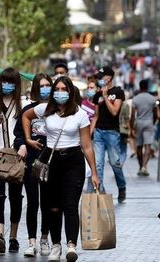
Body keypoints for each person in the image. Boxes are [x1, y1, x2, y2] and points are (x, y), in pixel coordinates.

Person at [22, 76, 100, 262]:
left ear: (70, 91)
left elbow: (87, 145)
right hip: (51, 160)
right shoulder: (45, 109)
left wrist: (94, 173)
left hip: (73, 161)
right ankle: (56, 245)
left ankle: (71, 245)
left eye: (63, 89)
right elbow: (25, 115)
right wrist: (28, 138)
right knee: (53, 207)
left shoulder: (80, 113)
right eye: (56, 89)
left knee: (70, 205)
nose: (59, 93)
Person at [0, 67, 26, 254]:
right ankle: (0, 235)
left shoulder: (23, 103)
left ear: (16, 84)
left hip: (17, 157)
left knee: (16, 198)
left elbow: (27, 128)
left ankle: (13, 237)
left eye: (11, 82)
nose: (7, 85)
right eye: (4, 81)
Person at [13, 73, 52, 257]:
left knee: (47, 202)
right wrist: (24, 144)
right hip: (31, 162)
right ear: (36, 88)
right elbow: (18, 134)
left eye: (47, 85)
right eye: (41, 85)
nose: (45, 89)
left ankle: (44, 239)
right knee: (33, 202)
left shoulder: (56, 110)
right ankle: (31, 241)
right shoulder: (28, 110)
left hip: (51, 163)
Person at [88, 66, 126, 203]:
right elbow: (96, 116)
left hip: (112, 132)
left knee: (115, 162)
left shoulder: (118, 92)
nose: (99, 79)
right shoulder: (97, 95)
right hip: (99, 132)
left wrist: (105, 96)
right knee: (98, 163)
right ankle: (100, 191)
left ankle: (122, 187)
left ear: (109, 77)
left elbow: (115, 111)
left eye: (101, 76)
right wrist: (90, 132)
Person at [130, 79, 158, 176]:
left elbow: (133, 114)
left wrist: (132, 127)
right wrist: (153, 122)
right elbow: (156, 113)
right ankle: (144, 167)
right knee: (148, 146)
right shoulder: (152, 98)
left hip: (139, 122)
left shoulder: (135, 98)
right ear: (147, 87)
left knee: (139, 146)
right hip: (149, 122)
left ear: (140, 87)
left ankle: (140, 166)